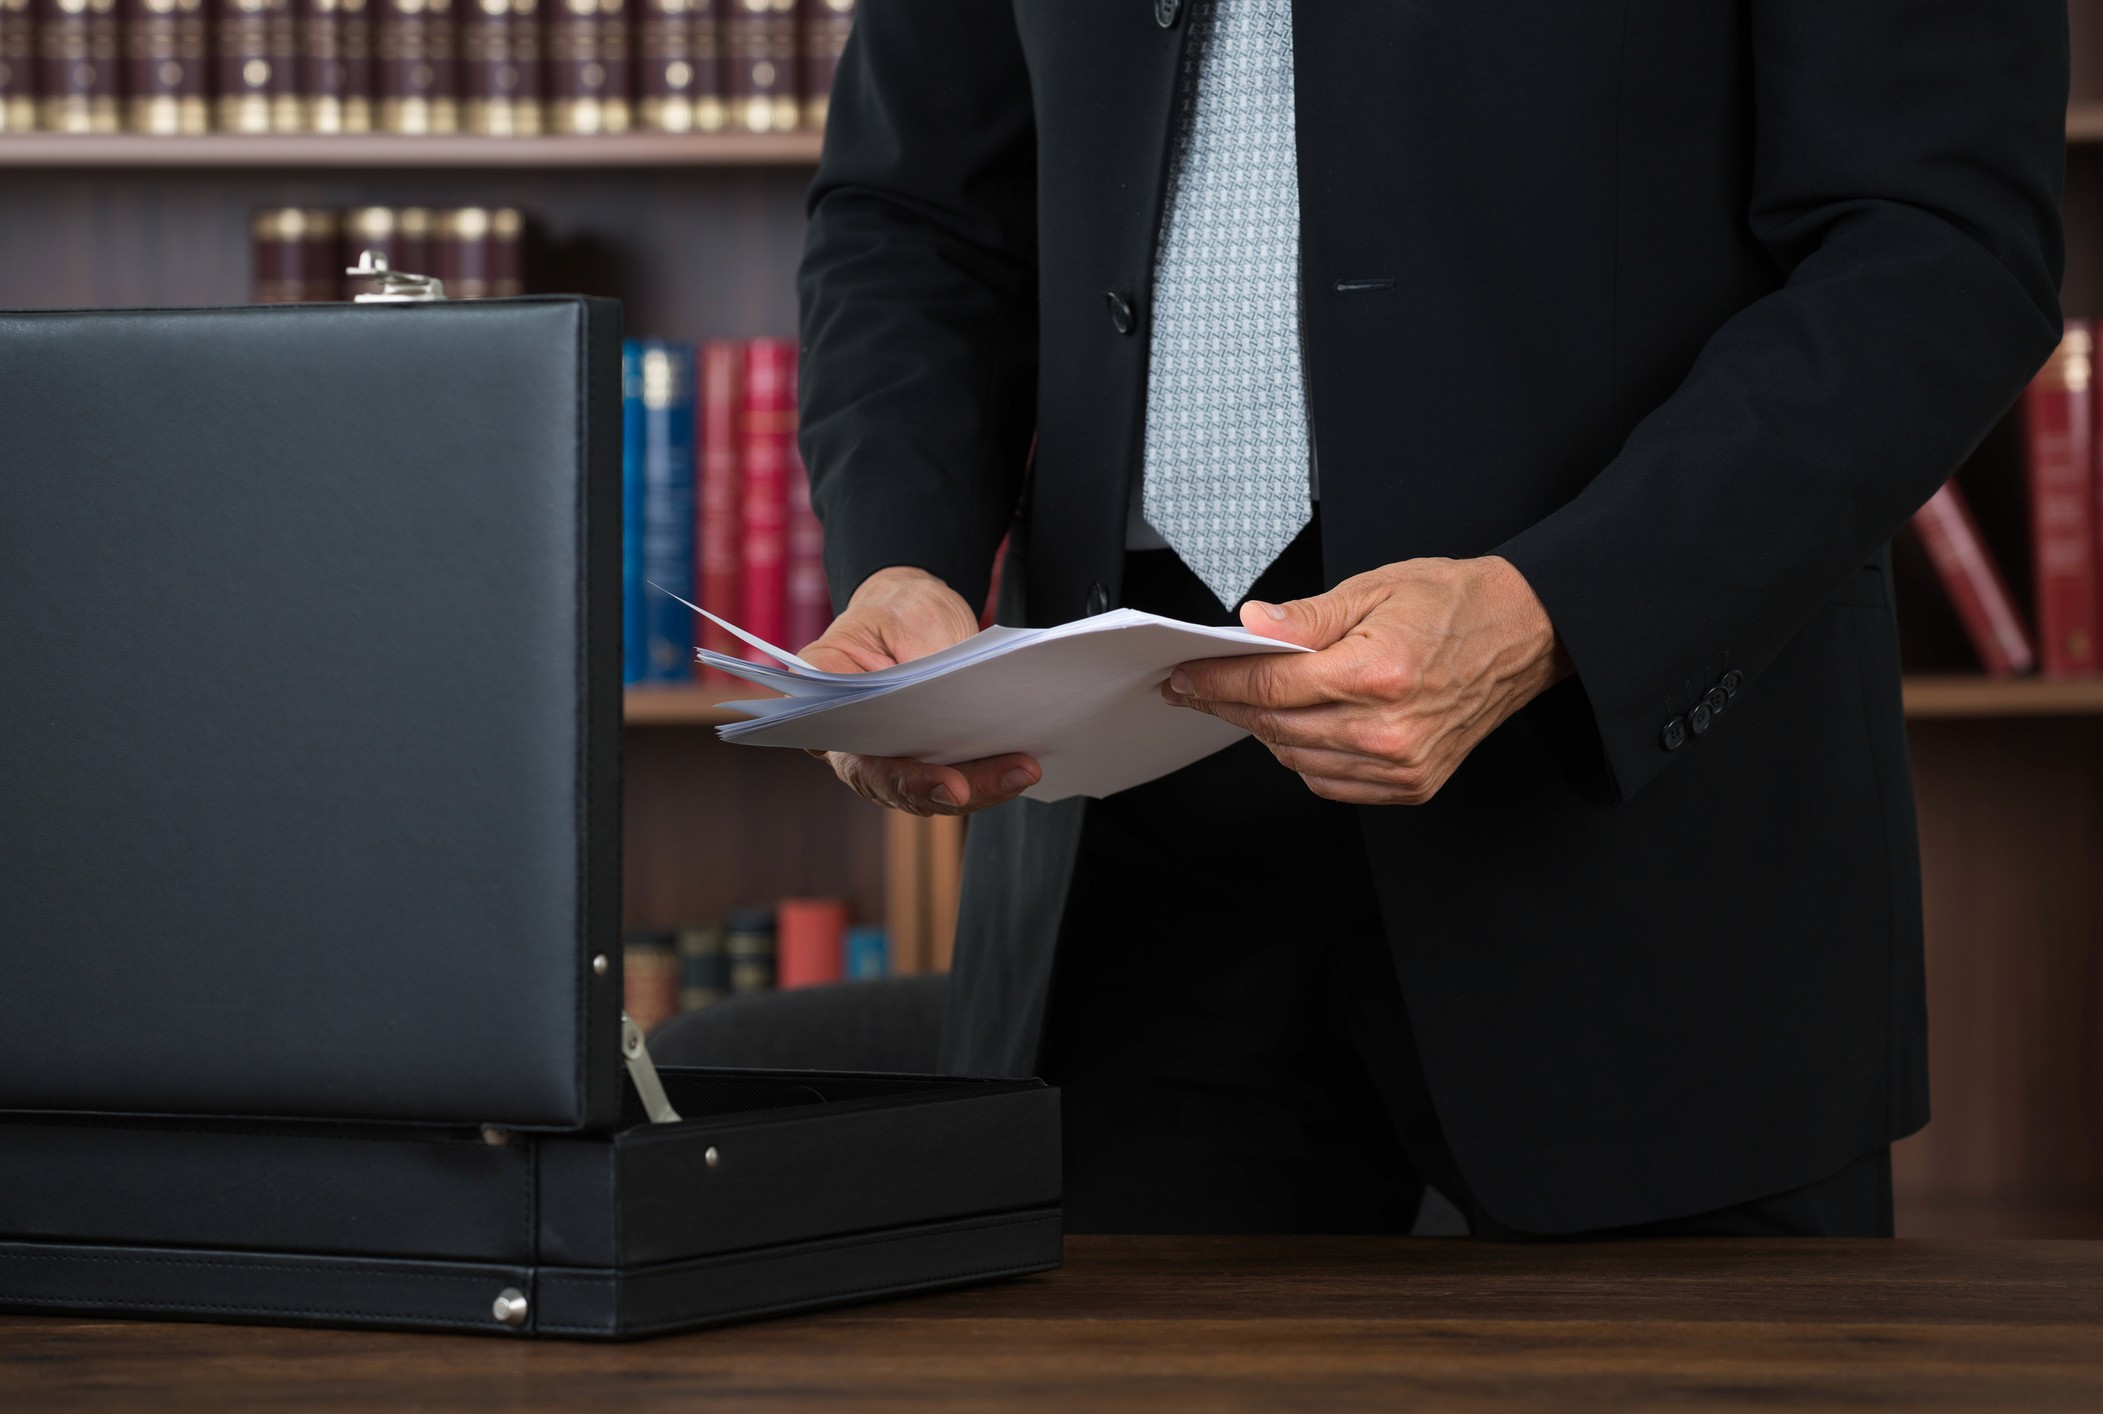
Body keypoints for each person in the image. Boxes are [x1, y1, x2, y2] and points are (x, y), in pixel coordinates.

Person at [793, 0, 2067, 1238]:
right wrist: (901, 557)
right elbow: (914, 214)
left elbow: (1933, 242)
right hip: (1115, 829)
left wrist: (1557, 611)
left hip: (1638, 817)